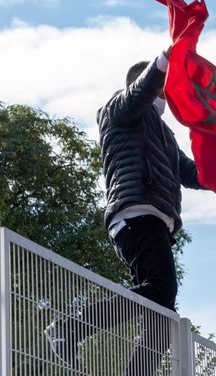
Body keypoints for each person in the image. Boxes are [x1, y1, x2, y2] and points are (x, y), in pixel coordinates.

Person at [44, 49, 206, 375]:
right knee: (161, 290)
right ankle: (68, 329)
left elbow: (193, 174)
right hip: (135, 214)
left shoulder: (165, 135)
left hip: (154, 220)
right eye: (162, 89)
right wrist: (163, 61)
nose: (165, 97)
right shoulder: (118, 110)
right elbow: (140, 94)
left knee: (162, 315)